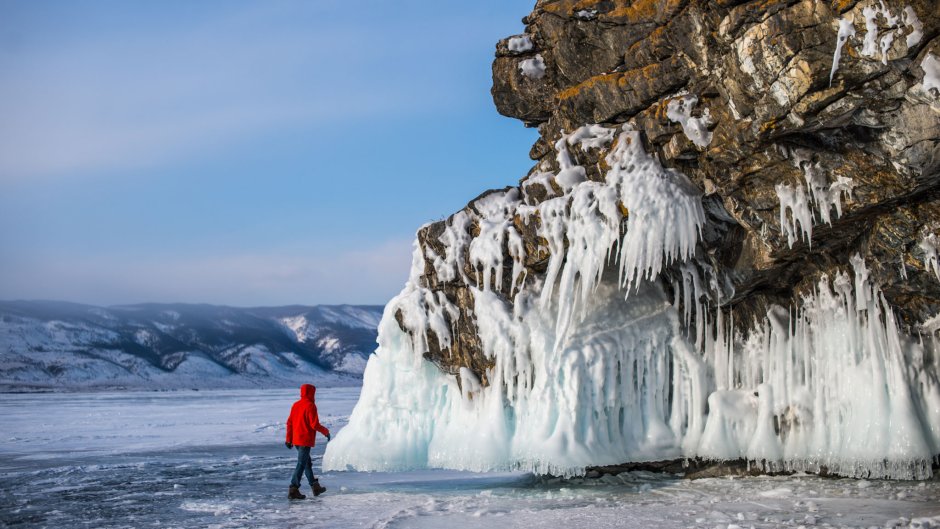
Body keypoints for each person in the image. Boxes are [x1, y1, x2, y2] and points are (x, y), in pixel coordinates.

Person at [285, 383, 331, 500]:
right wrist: (325, 431)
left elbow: (289, 423)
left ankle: (315, 487)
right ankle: (293, 488)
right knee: (301, 463)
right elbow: (314, 424)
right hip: (304, 440)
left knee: (306, 463)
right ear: (311, 393)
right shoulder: (310, 406)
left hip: (296, 440)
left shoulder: (296, 405)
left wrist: (289, 439)